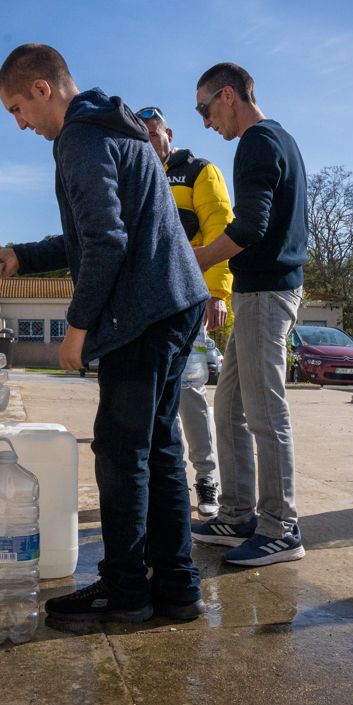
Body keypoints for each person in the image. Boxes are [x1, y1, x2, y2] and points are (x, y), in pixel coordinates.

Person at [0, 44, 210, 623]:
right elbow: (87, 237)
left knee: (121, 450)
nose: (19, 124)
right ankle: (176, 586)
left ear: (42, 89)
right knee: (157, 448)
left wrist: (76, 330)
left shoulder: (80, 139)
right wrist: (20, 257)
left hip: (143, 310)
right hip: (174, 302)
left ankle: (126, 588)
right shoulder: (113, 127)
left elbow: (106, 242)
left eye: (15, 109)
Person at [187, 62, 309, 566]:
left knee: (264, 411)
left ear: (229, 95)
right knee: (230, 404)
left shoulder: (257, 142)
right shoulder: (276, 140)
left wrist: (191, 261)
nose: (206, 121)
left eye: (205, 108)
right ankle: (237, 513)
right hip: (256, 293)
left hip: (266, 295)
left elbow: (253, 225)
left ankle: (282, 527)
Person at [137, 104, 234, 518]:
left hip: (190, 303)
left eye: (154, 134)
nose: (149, 143)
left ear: (169, 133)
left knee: (191, 394)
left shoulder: (198, 171)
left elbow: (220, 229)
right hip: (146, 306)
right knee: (151, 398)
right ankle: (165, 484)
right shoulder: (135, 175)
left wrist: (217, 292)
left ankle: (207, 480)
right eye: (141, 137)